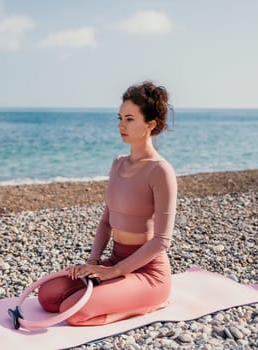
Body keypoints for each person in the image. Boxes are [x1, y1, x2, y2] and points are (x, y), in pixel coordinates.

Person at [37, 81, 177, 326]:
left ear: (150, 124)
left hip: (148, 272)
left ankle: (151, 303)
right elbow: (105, 222)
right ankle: (120, 294)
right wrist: (93, 262)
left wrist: (114, 272)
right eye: (120, 117)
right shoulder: (118, 163)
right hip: (114, 260)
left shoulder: (160, 171)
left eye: (130, 119)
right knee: (48, 297)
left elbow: (161, 241)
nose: (121, 125)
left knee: (74, 312)